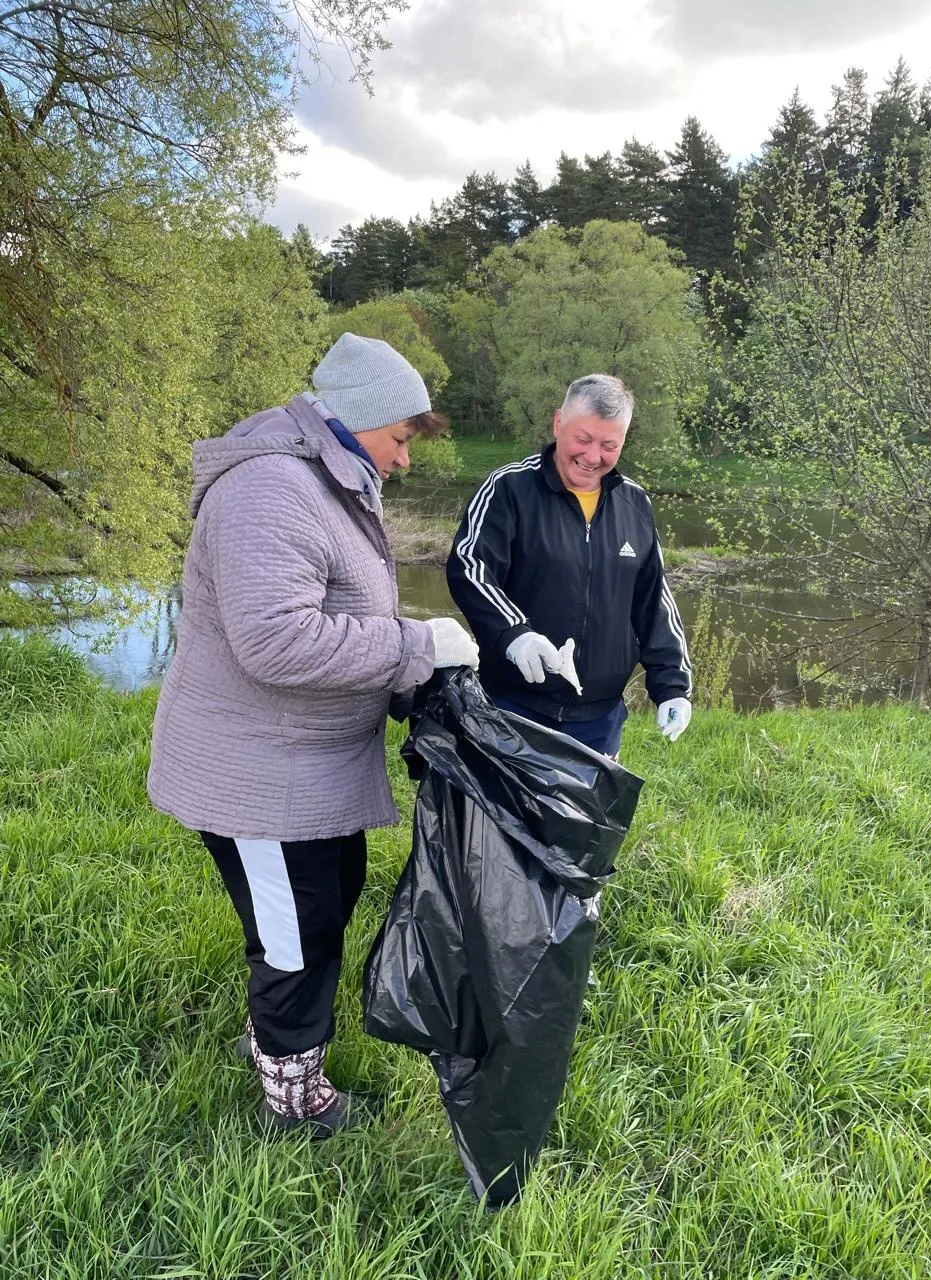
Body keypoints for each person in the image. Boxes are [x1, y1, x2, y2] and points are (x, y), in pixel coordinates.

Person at [148, 333, 479, 1139]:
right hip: (257, 778)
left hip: (303, 766)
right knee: (295, 936)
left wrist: (409, 665)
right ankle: (293, 1102)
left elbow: (339, 615)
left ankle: (274, 1040)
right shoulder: (270, 491)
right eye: (401, 438)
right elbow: (277, 641)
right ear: (360, 419)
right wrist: (416, 645)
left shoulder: (325, 482)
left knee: (316, 910)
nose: (404, 460)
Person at [446, 373, 691, 759]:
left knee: (582, 821)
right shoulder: (509, 489)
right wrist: (515, 634)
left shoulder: (635, 505)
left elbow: (654, 601)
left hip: (599, 719)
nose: (593, 457)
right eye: (583, 439)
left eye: (609, 445)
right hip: (513, 705)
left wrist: (672, 686)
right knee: (504, 818)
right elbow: (470, 568)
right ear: (559, 422)